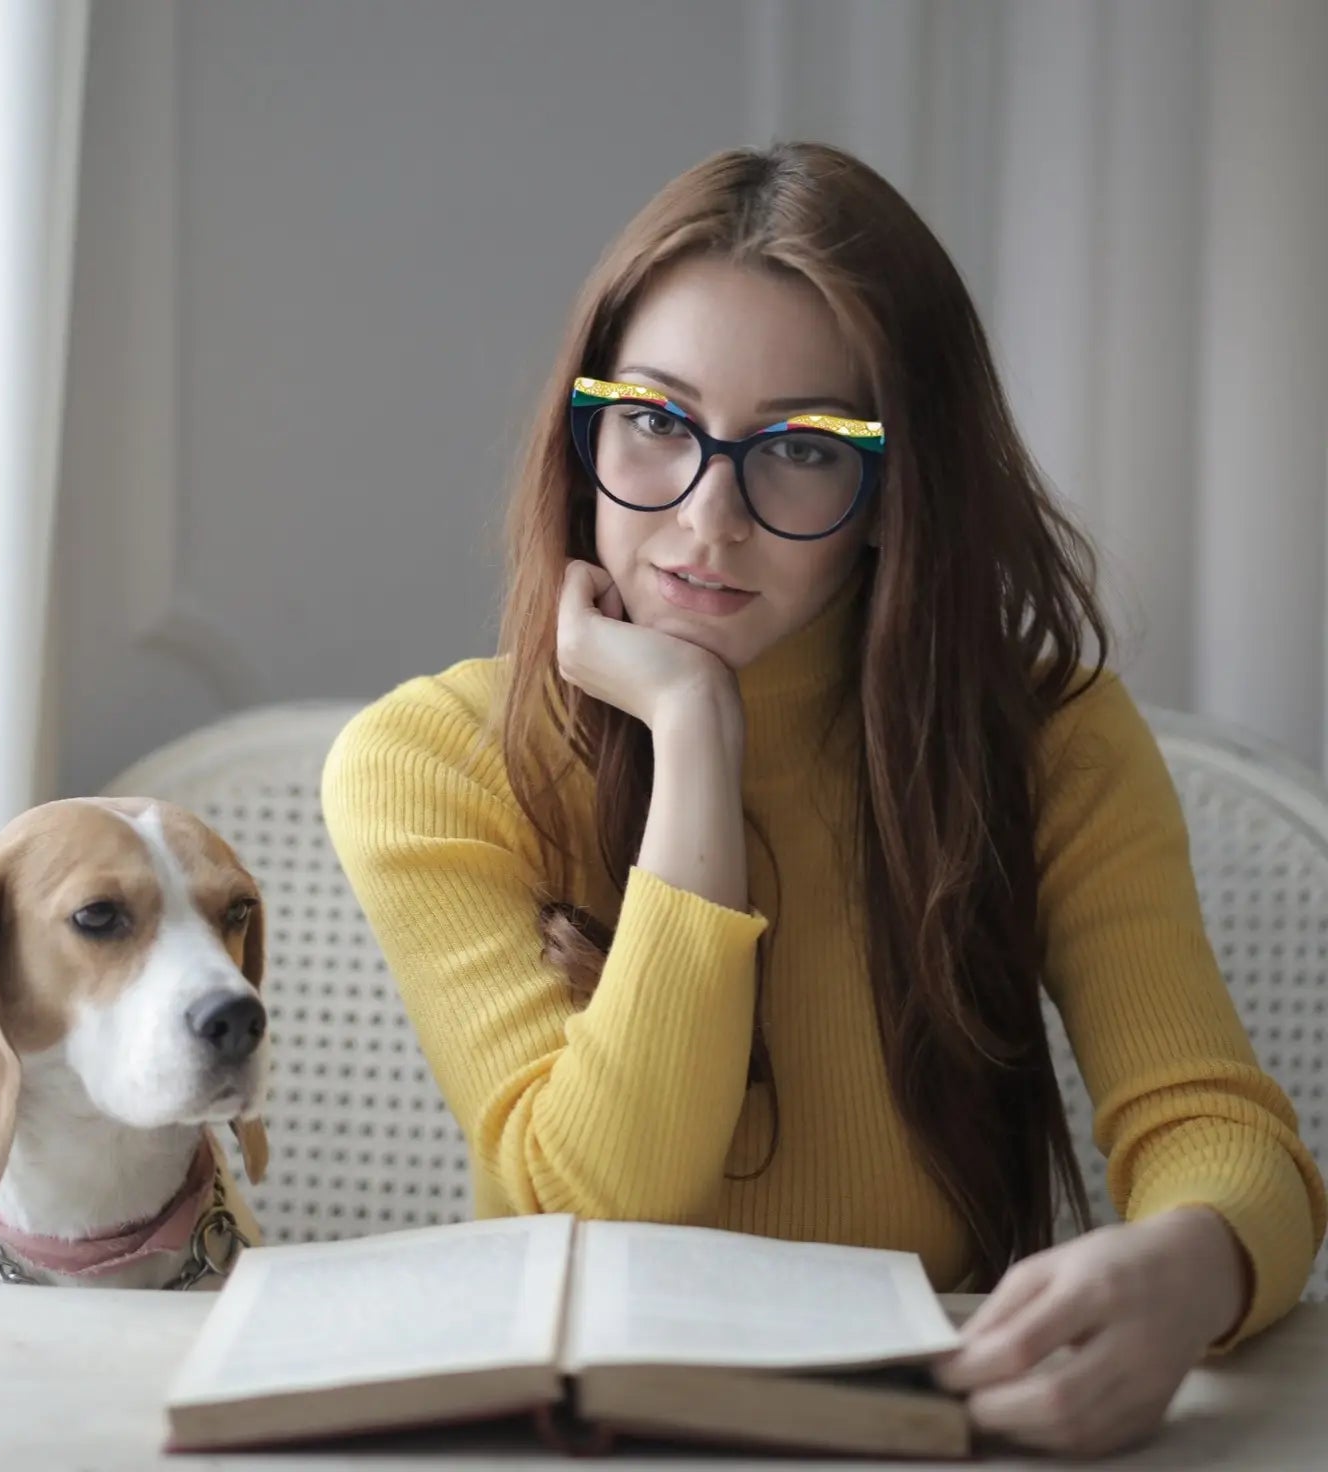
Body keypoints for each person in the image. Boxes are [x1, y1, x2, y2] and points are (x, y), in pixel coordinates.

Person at [322, 143, 1325, 1456]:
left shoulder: (1047, 743)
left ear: (893, 488)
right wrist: (692, 731)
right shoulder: (432, 763)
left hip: (924, 1432)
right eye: (655, 421)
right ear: (590, 431)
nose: (706, 516)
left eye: (798, 448)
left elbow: (1208, 1121)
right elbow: (593, 1202)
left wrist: (1189, 1274)